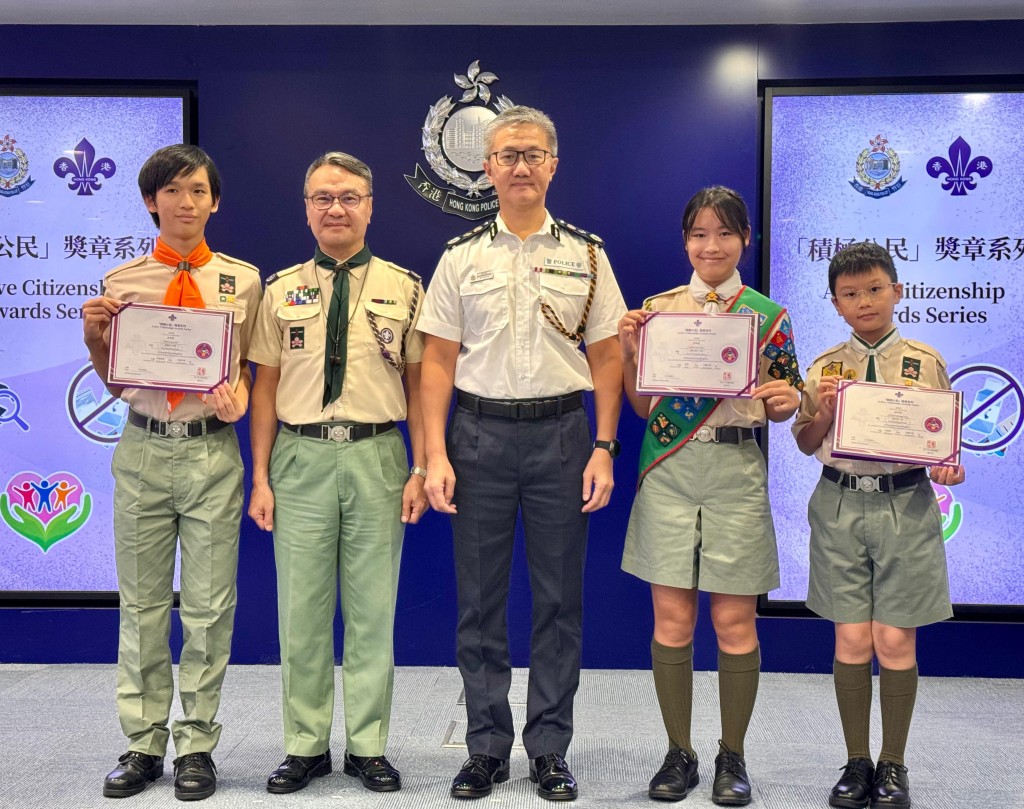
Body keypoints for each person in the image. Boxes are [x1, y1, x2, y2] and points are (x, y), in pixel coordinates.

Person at [418, 106, 625, 802]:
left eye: (534, 154)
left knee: (559, 601)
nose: (521, 166)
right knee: (479, 600)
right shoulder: (461, 256)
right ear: (488, 168)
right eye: (508, 155)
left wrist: (603, 445)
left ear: (553, 165)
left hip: (564, 436)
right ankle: (484, 747)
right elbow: (438, 362)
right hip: (477, 437)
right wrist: (434, 456)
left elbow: (607, 356)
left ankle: (547, 747)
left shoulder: (588, 255)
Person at [82, 144, 261, 801]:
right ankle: (142, 741)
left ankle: (198, 744)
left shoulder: (243, 281)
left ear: (215, 200)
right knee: (143, 605)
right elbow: (115, 380)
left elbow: (245, 373)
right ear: (151, 200)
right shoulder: (122, 284)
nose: (186, 202)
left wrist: (237, 398)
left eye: (198, 190)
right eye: (173, 191)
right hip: (144, 449)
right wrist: (95, 340)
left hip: (213, 451)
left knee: (211, 608)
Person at [247, 151, 427, 796]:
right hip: (300, 456)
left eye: (349, 197)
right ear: (306, 208)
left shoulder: (405, 287)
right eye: (323, 197)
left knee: (374, 608)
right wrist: (260, 476)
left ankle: (368, 745)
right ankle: (304, 745)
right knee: (301, 608)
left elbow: (423, 382)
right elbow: (264, 386)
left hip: (379, 453)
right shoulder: (279, 289)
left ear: (371, 206)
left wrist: (424, 463)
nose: (336, 209)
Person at [617, 186, 803, 806]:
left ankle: (732, 756)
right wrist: (628, 350)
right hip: (671, 471)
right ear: (685, 242)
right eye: (698, 234)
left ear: (745, 239)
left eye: (724, 233)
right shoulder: (659, 311)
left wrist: (786, 401)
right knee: (672, 621)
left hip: (735, 472)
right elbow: (645, 408)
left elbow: (785, 404)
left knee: (733, 621)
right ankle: (679, 752)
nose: (711, 246)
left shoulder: (768, 316)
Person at [793, 241, 965, 809]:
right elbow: (804, 442)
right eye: (849, 294)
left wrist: (950, 464)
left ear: (896, 290)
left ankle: (893, 764)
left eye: (874, 289)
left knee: (894, 639)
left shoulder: (924, 361)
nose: (864, 301)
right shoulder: (823, 368)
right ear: (836, 304)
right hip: (841, 504)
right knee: (850, 637)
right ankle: (856, 762)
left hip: (907, 504)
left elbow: (944, 447)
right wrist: (825, 411)